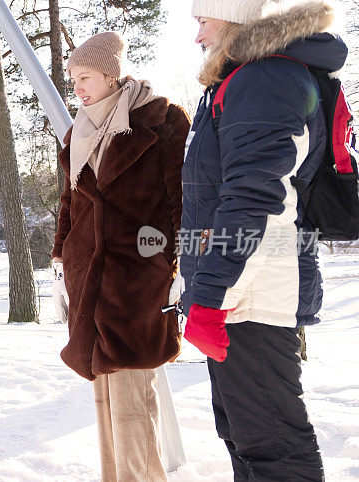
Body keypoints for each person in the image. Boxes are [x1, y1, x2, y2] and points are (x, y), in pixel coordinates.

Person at [182, 0, 346, 479]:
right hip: (239, 291)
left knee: (275, 449)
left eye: (203, 22)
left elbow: (256, 198)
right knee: (245, 439)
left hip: (252, 295)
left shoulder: (265, 79)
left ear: (236, 18)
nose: (198, 38)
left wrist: (211, 297)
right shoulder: (241, 79)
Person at [52, 31, 190, 481]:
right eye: (72, 78)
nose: (76, 86)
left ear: (111, 75)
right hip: (88, 275)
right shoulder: (78, 133)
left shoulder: (163, 120)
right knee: (106, 398)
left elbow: (181, 198)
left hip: (139, 276)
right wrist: (61, 261)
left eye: (84, 76)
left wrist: (182, 263)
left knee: (133, 394)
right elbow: (70, 205)